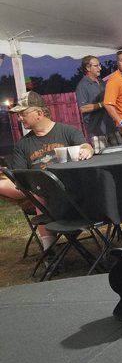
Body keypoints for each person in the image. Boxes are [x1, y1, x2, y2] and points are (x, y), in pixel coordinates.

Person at [0, 92, 93, 253]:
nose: (19, 118)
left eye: (23, 114)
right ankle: (50, 251)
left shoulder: (67, 131)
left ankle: (52, 248)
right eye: (18, 115)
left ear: (39, 113)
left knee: (40, 191)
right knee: (38, 191)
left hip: (72, 193)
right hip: (41, 196)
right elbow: (19, 178)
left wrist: (87, 150)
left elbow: (85, 146)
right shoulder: (22, 145)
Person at [75, 56, 121, 152]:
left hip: (111, 127)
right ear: (88, 68)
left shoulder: (102, 82)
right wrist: (102, 104)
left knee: (121, 153)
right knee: (103, 157)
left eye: (99, 65)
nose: (100, 68)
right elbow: (83, 108)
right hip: (97, 131)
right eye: (96, 66)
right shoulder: (82, 85)